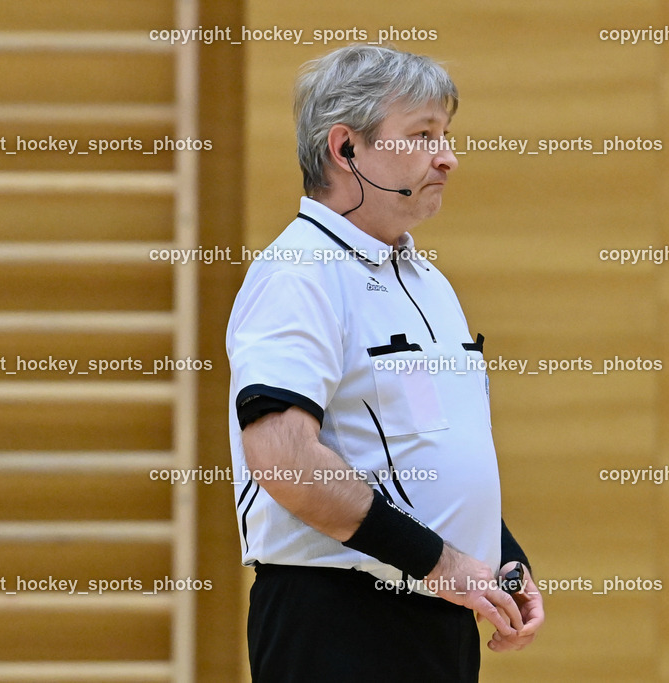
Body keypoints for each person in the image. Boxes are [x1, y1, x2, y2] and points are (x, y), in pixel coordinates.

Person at [227, 43, 544, 682]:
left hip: (436, 609)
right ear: (346, 149)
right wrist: (440, 562)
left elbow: (429, 445)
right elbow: (283, 460)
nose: (448, 157)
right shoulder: (300, 275)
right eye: (422, 136)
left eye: (446, 134)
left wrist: (498, 557)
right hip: (339, 621)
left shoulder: (426, 280)